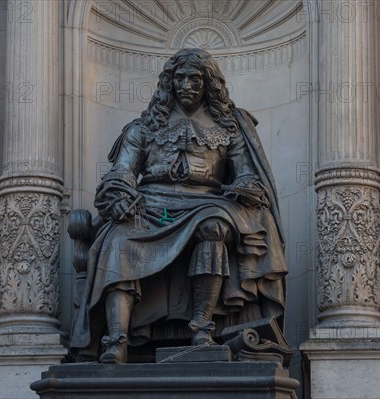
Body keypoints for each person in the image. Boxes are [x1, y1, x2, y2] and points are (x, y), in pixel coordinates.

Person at [71, 48, 288, 363]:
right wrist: (118, 198)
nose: (186, 85)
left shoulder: (229, 128)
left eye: (194, 78)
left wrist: (247, 189)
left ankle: (202, 327)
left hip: (207, 202)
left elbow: (247, 176)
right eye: (180, 78)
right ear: (169, 83)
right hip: (151, 205)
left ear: (207, 83)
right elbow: (121, 175)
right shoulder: (143, 127)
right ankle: (116, 340)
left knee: (214, 225)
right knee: (117, 241)